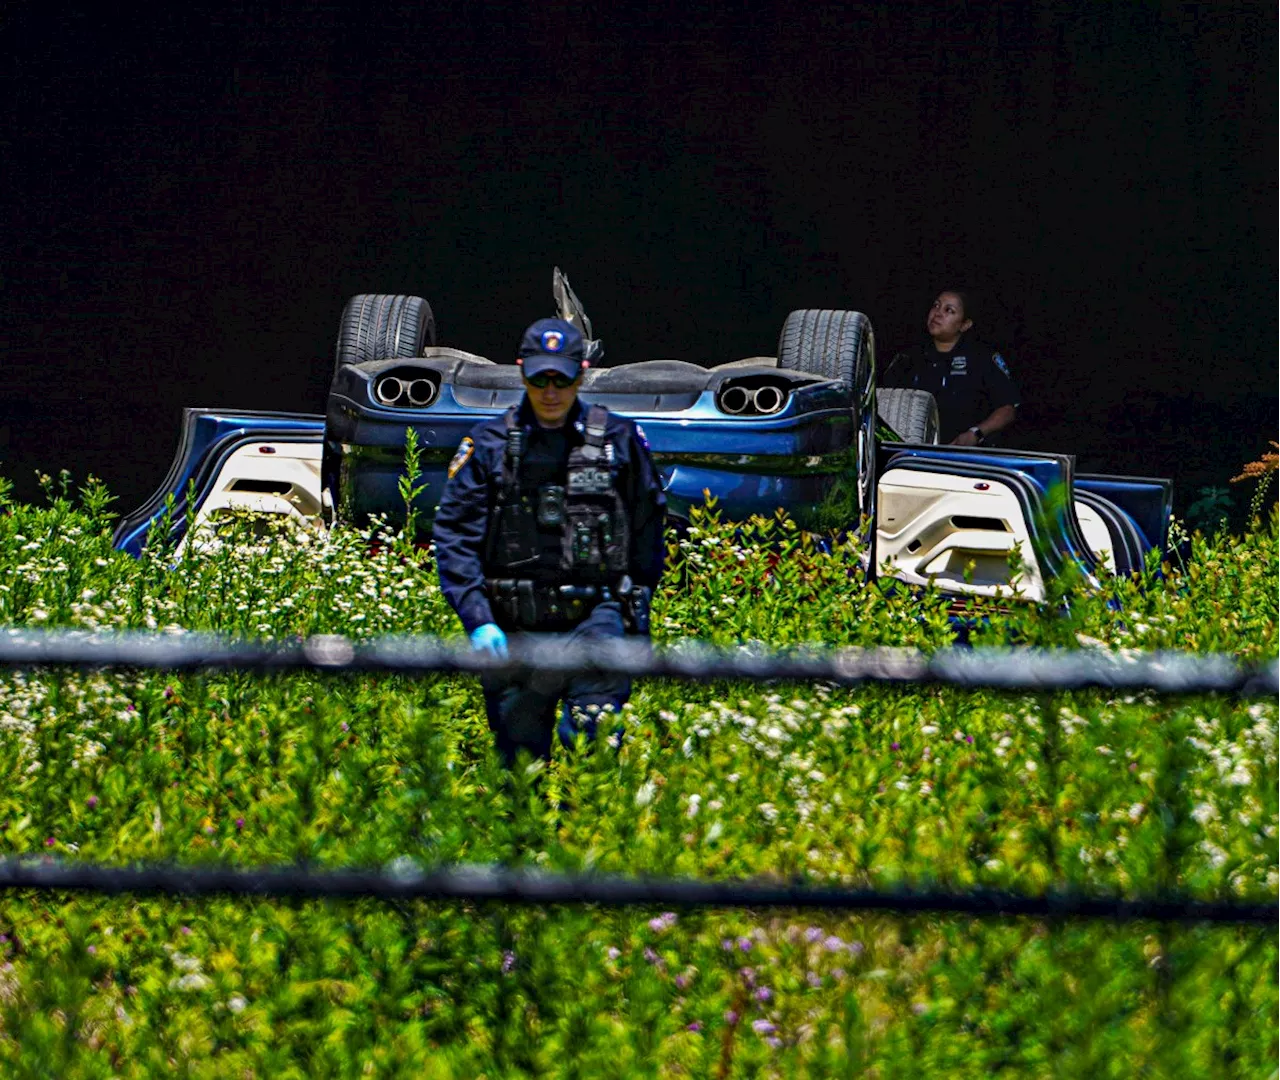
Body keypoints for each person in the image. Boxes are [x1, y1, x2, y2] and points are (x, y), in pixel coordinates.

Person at [432, 316, 667, 766]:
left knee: (594, 748)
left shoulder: (617, 440)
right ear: (522, 372)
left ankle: (587, 835)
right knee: (520, 769)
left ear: (582, 373)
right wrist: (477, 617)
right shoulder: (490, 444)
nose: (551, 391)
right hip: (513, 624)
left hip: (595, 617)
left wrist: (637, 606)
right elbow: (455, 536)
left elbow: (647, 526)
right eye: (540, 378)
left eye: (563, 377)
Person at [881, 289, 1020, 445]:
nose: (938, 314)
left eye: (949, 310)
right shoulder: (908, 357)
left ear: (965, 324)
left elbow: (1007, 408)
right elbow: (882, 399)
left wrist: (976, 433)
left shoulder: (982, 357)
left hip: (965, 456)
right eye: (936, 306)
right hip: (912, 453)